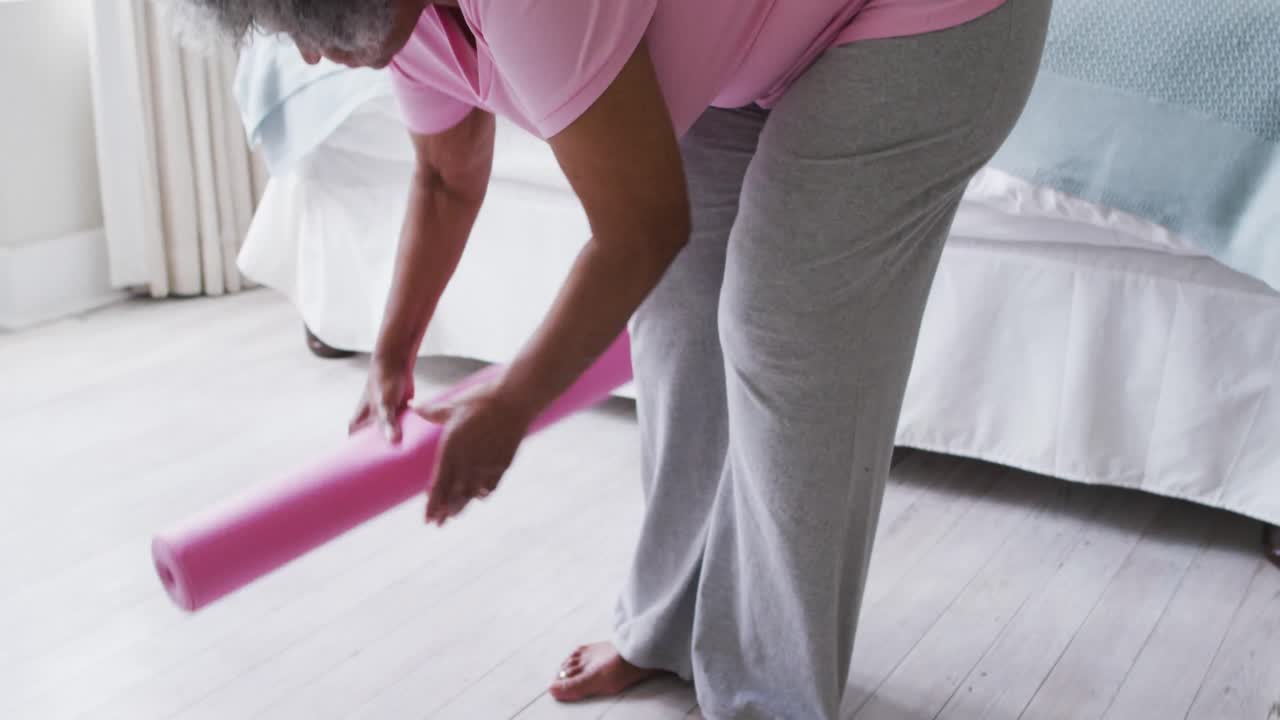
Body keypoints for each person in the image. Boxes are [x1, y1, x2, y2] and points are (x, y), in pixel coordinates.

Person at [173, 0, 1050, 716]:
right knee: (676, 314)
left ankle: (771, 698)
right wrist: (394, 353)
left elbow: (640, 226)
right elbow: (446, 176)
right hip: (764, 38)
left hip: (926, 21)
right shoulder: (402, 32)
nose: (315, 60)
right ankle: (666, 632)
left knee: (783, 325)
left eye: (307, 28)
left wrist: (512, 405)